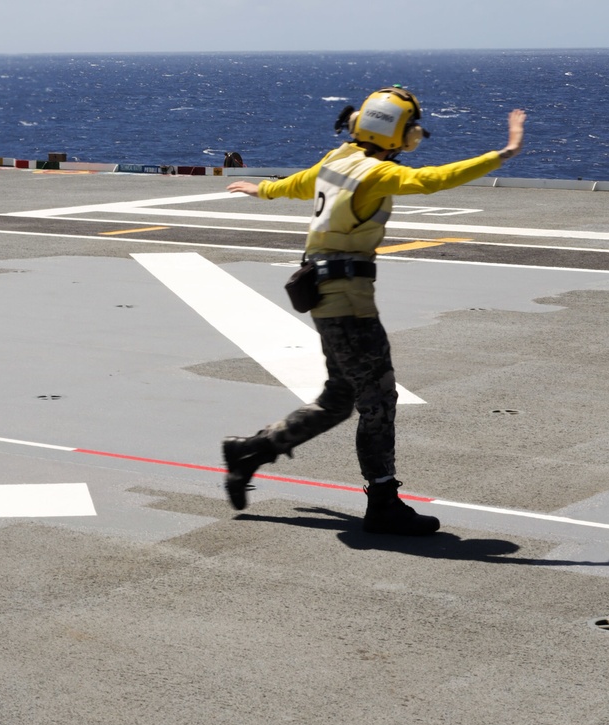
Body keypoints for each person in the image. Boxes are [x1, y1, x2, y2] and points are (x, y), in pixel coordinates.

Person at [221, 88, 526, 536]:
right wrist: (505, 152)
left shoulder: (337, 160)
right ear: (396, 131)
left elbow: (298, 184)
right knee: (378, 401)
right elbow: (431, 180)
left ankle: (251, 452)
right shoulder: (375, 173)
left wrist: (260, 189)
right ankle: (382, 502)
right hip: (349, 304)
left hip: (325, 296)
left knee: (339, 399)